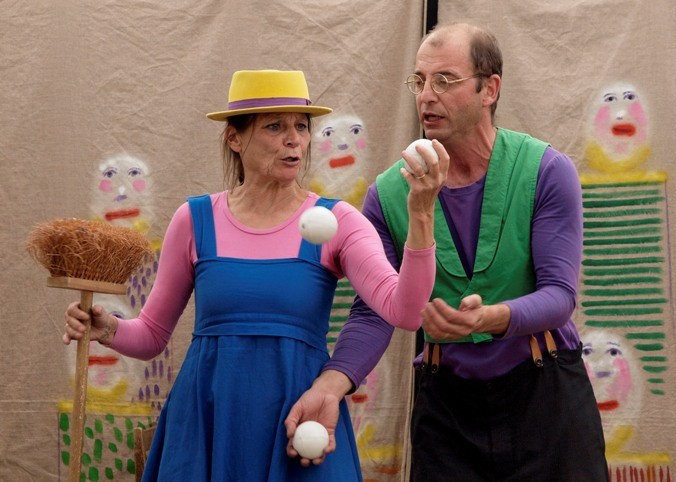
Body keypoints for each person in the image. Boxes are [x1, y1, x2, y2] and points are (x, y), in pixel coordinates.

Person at [63, 69, 448, 481]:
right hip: (207, 424)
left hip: (299, 421)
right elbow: (152, 335)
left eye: (301, 126)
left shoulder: (340, 221)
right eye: (274, 126)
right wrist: (109, 329)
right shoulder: (194, 220)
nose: (293, 139)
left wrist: (422, 213)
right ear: (235, 138)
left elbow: (406, 312)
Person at [344, 23, 609, 481]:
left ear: (490, 89)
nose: (426, 96)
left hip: (545, 397)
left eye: (445, 80)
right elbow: (373, 311)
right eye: (419, 81)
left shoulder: (546, 170)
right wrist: (334, 384)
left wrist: (489, 318)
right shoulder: (387, 195)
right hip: (446, 412)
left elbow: (560, 296)